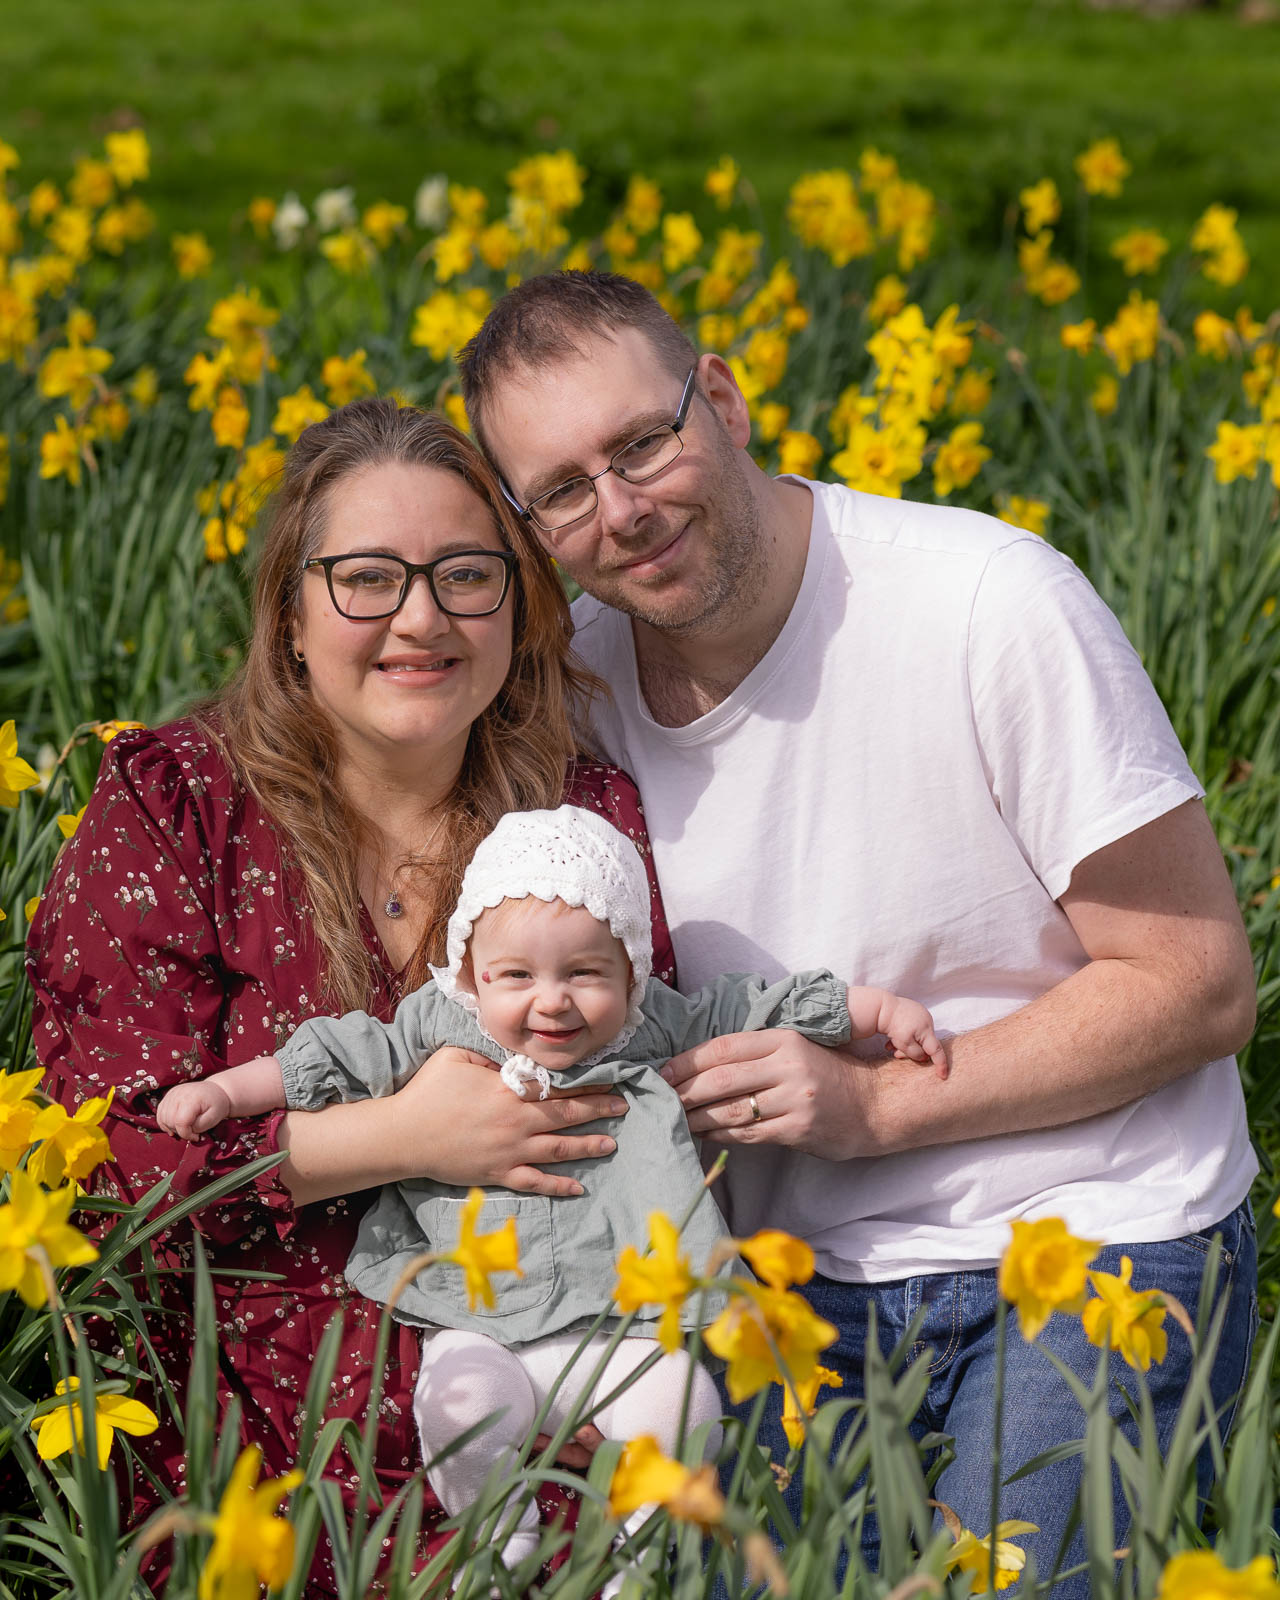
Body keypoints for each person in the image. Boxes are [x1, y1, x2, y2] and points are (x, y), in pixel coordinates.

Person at [455, 270, 1260, 1589]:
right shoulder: (577, 699)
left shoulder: (986, 602)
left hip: (1086, 1232)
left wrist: (875, 1112)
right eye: (561, 490)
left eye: (643, 443)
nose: (622, 510)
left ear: (722, 397)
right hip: (786, 1290)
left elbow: (1199, 983)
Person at [25, 400, 679, 1594]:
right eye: (368, 578)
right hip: (253, 1455)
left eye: (465, 575)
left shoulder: (576, 826)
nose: (420, 618)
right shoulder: (175, 809)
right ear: (289, 613)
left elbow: (629, 1100)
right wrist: (396, 1137)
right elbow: (95, 1169)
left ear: (516, 608)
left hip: (533, 1415)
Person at [156, 801, 941, 1588]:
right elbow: (337, 1054)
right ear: (471, 973)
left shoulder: (652, 1027)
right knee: (459, 1411)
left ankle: (642, 1560)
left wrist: (877, 1013)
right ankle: (499, 1549)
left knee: (687, 1406)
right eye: (516, 976)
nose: (552, 1001)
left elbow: (755, 1007)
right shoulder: (440, 1026)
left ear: (631, 971)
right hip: (477, 1318)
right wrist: (228, 1091)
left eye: (585, 973)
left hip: (622, 1322)